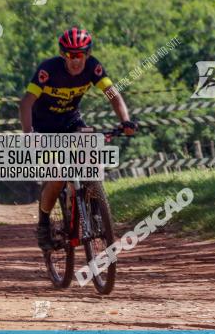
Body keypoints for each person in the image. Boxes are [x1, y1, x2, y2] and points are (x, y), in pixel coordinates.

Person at [18, 26, 137, 250]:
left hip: (71, 122)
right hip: (44, 127)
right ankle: (44, 224)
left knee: (92, 158)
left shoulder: (93, 67)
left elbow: (113, 95)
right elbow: (25, 103)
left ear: (88, 54)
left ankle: (92, 204)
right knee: (58, 176)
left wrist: (125, 121)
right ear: (63, 55)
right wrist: (29, 134)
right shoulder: (48, 69)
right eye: (71, 55)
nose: (76, 61)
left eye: (80, 55)